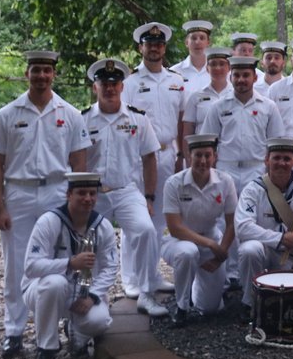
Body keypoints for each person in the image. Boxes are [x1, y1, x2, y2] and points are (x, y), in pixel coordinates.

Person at [0, 49, 90, 358]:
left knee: (65, 261)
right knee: (17, 265)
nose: (41, 75)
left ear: (54, 74)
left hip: (57, 194)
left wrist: (79, 206)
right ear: (26, 73)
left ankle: (70, 325)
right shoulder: (7, 114)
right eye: (36, 70)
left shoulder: (70, 114)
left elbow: (80, 162)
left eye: (46, 70)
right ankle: (14, 330)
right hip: (18, 194)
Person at [81, 58, 167, 317]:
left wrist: (149, 197)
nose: (109, 88)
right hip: (92, 193)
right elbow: (76, 158)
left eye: (115, 83)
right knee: (90, 243)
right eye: (104, 83)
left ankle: (145, 292)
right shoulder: (82, 119)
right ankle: (94, 296)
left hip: (127, 190)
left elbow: (149, 158)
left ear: (122, 86)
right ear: (95, 86)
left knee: (145, 231)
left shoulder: (137, 119)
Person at [23, 172, 117, 359]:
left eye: (92, 193)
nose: (87, 198)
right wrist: (69, 263)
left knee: (99, 322)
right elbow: (31, 267)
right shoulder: (49, 222)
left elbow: (111, 267)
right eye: (81, 193)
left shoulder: (103, 226)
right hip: (41, 291)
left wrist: (93, 296)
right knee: (55, 283)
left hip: (82, 292)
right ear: (68, 194)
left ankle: (77, 334)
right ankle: (46, 350)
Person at [121, 22, 187, 280]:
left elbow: (181, 120)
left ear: (164, 47)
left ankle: (151, 275)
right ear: (141, 47)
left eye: (159, 44)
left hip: (168, 154)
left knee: (159, 218)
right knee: (134, 217)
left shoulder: (176, 81)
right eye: (149, 44)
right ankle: (130, 277)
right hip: (139, 157)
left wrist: (181, 154)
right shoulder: (130, 82)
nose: (154, 48)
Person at [235, 138, 293, 311]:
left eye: (287, 159)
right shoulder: (253, 189)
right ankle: (249, 302)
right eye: (276, 158)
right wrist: (279, 238)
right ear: (267, 160)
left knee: (289, 305)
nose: (282, 163)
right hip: (265, 251)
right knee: (249, 249)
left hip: (292, 255)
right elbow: (242, 226)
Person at [162, 134, 237, 325]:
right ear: (189, 155)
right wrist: (212, 244)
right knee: (188, 253)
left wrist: (222, 251)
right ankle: (181, 307)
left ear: (215, 157)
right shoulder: (174, 183)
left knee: (210, 308)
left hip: (211, 240)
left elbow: (231, 222)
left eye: (207, 155)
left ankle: (196, 286)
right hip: (180, 242)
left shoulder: (225, 181)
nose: (203, 161)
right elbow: (175, 228)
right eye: (198, 155)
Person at [202, 56, 286, 194]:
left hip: (257, 170)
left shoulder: (269, 107)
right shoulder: (218, 107)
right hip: (225, 169)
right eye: (236, 75)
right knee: (226, 215)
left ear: (255, 78)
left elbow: (276, 144)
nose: (241, 79)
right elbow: (208, 144)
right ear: (231, 78)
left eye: (246, 75)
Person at [179, 46, 231, 144]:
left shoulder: (236, 95)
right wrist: (188, 157)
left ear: (229, 67)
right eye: (213, 64)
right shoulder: (196, 97)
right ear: (207, 68)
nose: (217, 68)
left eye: (222, 64)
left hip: (229, 155)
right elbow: (188, 132)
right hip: (203, 155)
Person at [170, 20, 213, 92]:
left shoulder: (219, 72)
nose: (197, 42)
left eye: (202, 38)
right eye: (193, 38)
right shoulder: (174, 72)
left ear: (208, 42)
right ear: (187, 42)